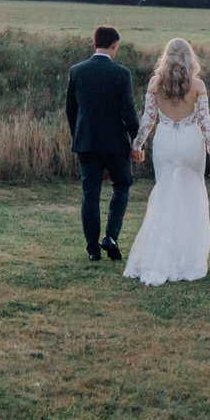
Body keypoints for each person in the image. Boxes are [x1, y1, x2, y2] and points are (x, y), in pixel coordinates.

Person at [123, 38, 210, 286]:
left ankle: (160, 254)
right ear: (190, 59)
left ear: (165, 58)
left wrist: (137, 145)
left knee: (165, 195)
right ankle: (185, 257)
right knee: (191, 197)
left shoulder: (155, 84)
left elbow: (147, 121)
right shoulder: (197, 85)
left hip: (165, 143)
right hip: (190, 143)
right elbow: (205, 123)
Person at [64, 25, 140, 263]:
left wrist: (77, 134)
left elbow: (71, 110)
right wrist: (138, 142)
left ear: (94, 42)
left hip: (86, 142)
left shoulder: (76, 71)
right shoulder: (121, 74)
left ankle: (93, 250)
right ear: (114, 45)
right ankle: (111, 237)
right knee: (122, 185)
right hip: (115, 143)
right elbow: (128, 112)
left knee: (90, 194)